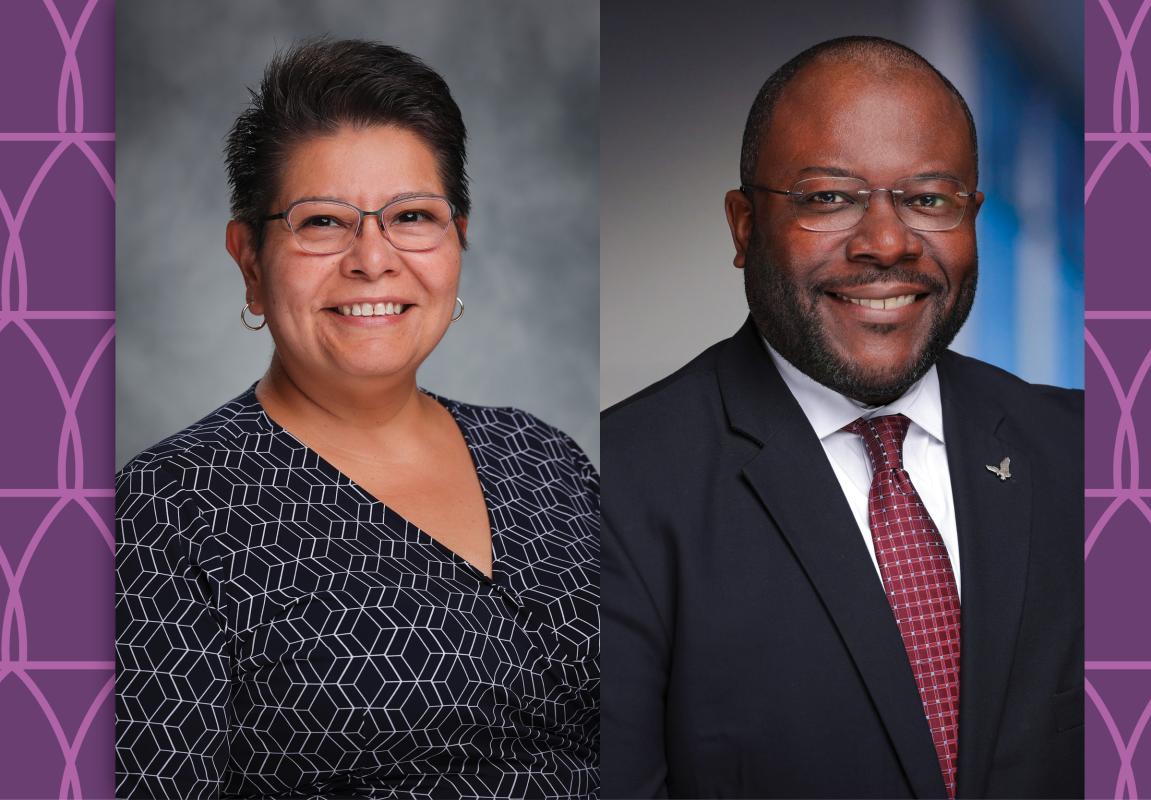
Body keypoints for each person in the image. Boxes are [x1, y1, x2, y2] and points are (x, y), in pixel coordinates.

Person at [600, 36, 1081, 799]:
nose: (887, 243)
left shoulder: (1094, 459)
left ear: (973, 217)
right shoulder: (612, 488)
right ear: (744, 226)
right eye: (830, 198)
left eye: (930, 199)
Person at [115, 39, 597, 799]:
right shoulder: (167, 512)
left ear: (457, 238)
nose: (373, 260)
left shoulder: (545, 459)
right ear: (250, 259)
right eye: (322, 223)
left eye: (411, 215)